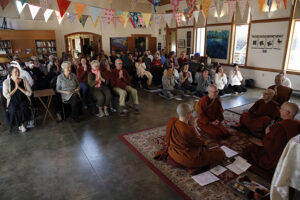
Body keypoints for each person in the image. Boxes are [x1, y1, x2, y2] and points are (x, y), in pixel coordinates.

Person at [154, 103, 226, 170]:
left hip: (172, 151)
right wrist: (193, 126)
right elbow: (201, 143)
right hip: (187, 158)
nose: (192, 114)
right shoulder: (188, 129)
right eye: (191, 112)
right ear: (188, 114)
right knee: (220, 153)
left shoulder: (172, 120)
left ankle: (172, 159)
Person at [248, 102, 300, 170]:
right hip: (290, 155)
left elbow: (270, 145)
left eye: (281, 109)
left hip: (277, 158)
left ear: (287, 112)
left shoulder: (280, 126)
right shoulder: (297, 123)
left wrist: (267, 134)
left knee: (250, 151)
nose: (279, 111)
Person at [2, 66, 32, 133]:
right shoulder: (6, 82)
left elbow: (29, 93)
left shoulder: (24, 80)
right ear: (11, 73)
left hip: (23, 99)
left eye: (18, 71)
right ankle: (20, 125)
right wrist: (15, 88)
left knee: (23, 108)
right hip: (12, 100)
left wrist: (19, 88)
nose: (18, 73)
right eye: (15, 72)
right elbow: (7, 96)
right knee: (13, 109)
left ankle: (22, 124)